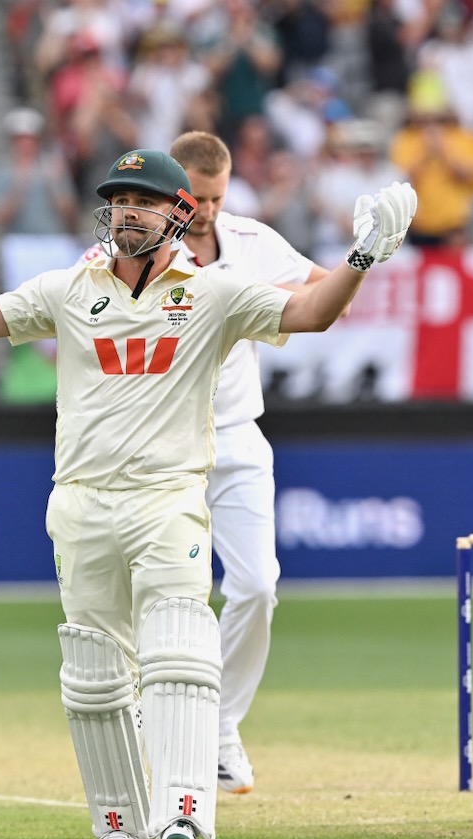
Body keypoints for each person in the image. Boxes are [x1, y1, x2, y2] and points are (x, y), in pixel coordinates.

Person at [0, 149, 416, 839]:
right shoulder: (69, 288)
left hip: (167, 501)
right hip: (81, 504)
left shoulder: (215, 292)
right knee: (96, 676)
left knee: (179, 654)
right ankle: (118, 829)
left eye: (143, 201)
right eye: (119, 200)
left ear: (178, 213)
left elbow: (311, 311)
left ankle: (184, 815)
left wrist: (364, 256)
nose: (126, 211)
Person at [80, 130, 331, 797]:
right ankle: (148, 717)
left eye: (218, 198)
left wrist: (362, 259)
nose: (209, 212)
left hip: (237, 436)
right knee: (153, 598)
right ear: (169, 192)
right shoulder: (124, 249)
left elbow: (320, 291)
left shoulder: (252, 241)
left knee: (257, 586)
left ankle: (219, 728)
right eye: (197, 199)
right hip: (157, 447)